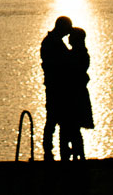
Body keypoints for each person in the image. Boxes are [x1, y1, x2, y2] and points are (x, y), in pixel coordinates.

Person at [38, 16, 74, 159]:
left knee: (55, 120)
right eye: (66, 30)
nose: (67, 34)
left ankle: (56, 150)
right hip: (56, 87)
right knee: (54, 119)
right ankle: (51, 151)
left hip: (55, 86)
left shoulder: (53, 42)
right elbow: (58, 64)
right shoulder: (53, 43)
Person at [58, 26, 95, 160]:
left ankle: (73, 156)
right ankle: (77, 155)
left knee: (70, 127)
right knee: (73, 128)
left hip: (73, 96)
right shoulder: (79, 53)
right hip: (77, 95)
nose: (68, 38)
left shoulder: (76, 55)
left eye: (71, 36)